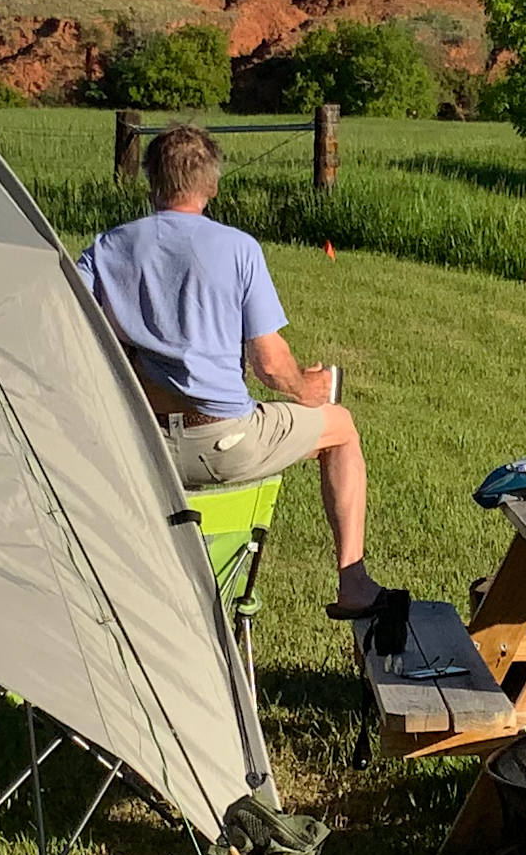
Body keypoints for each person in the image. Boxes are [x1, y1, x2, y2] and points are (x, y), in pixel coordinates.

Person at [78, 125, 382, 619]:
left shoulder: (109, 246)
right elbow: (269, 364)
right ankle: (353, 581)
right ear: (212, 185)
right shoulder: (238, 248)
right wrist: (307, 388)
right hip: (224, 442)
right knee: (341, 430)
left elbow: (75, 330)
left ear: (152, 183)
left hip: (137, 445)